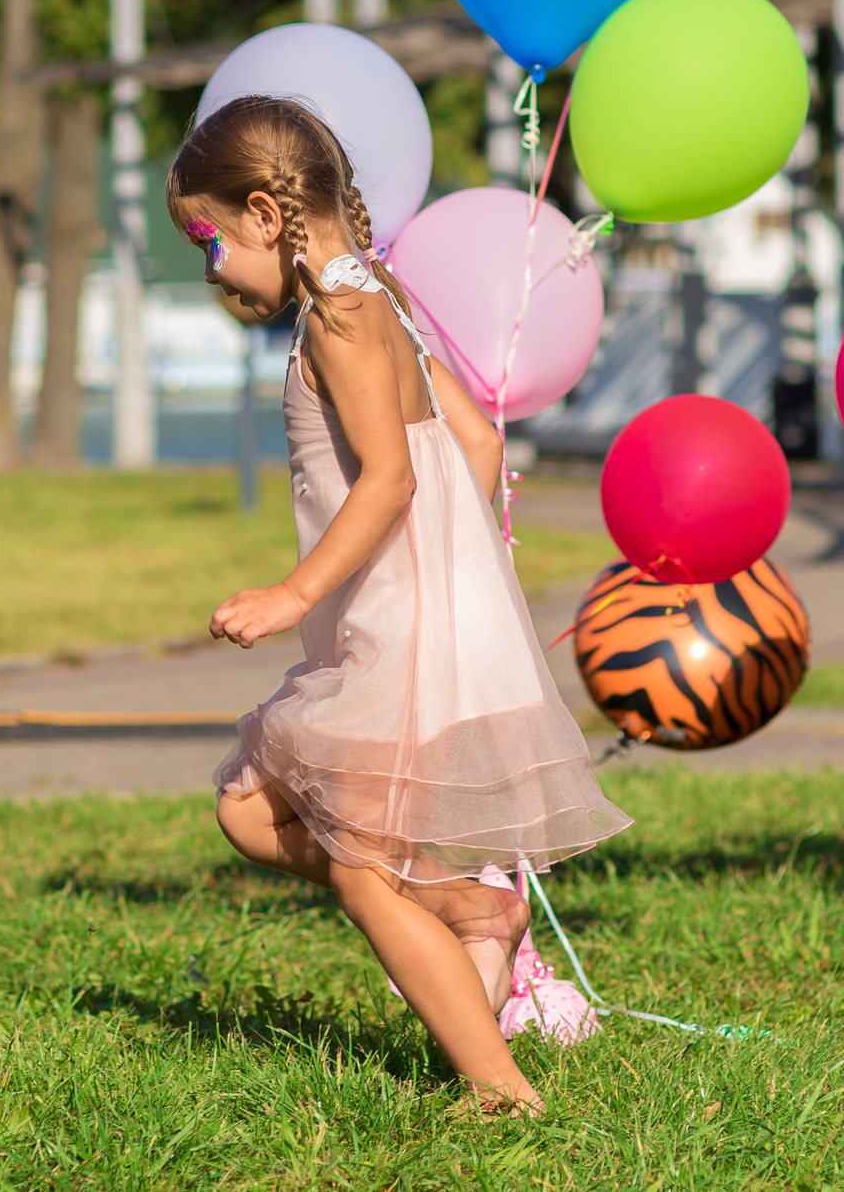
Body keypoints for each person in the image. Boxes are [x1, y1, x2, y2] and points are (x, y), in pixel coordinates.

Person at [167, 94, 630, 1116]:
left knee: (360, 872)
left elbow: (388, 478)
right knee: (250, 812)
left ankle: (498, 1086)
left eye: (206, 241)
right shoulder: (375, 293)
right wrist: (459, 571)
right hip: (420, 608)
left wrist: (297, 591)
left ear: (258, 212)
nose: (208, 268)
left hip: (400, 629)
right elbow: (473, 443)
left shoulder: (341, 319)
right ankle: (471, 907)